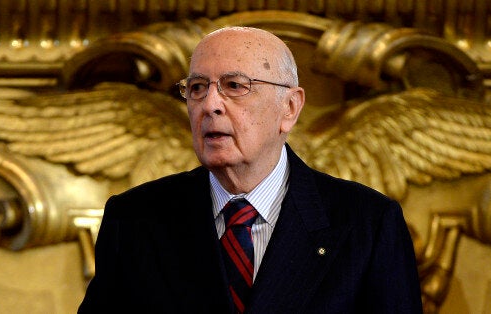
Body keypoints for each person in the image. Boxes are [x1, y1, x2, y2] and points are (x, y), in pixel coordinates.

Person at [78, 26, 423, 313]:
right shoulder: (134, 218)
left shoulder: (368, 223)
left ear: (289, 107)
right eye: (197, 88)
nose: (210, 105)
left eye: (235, 86)